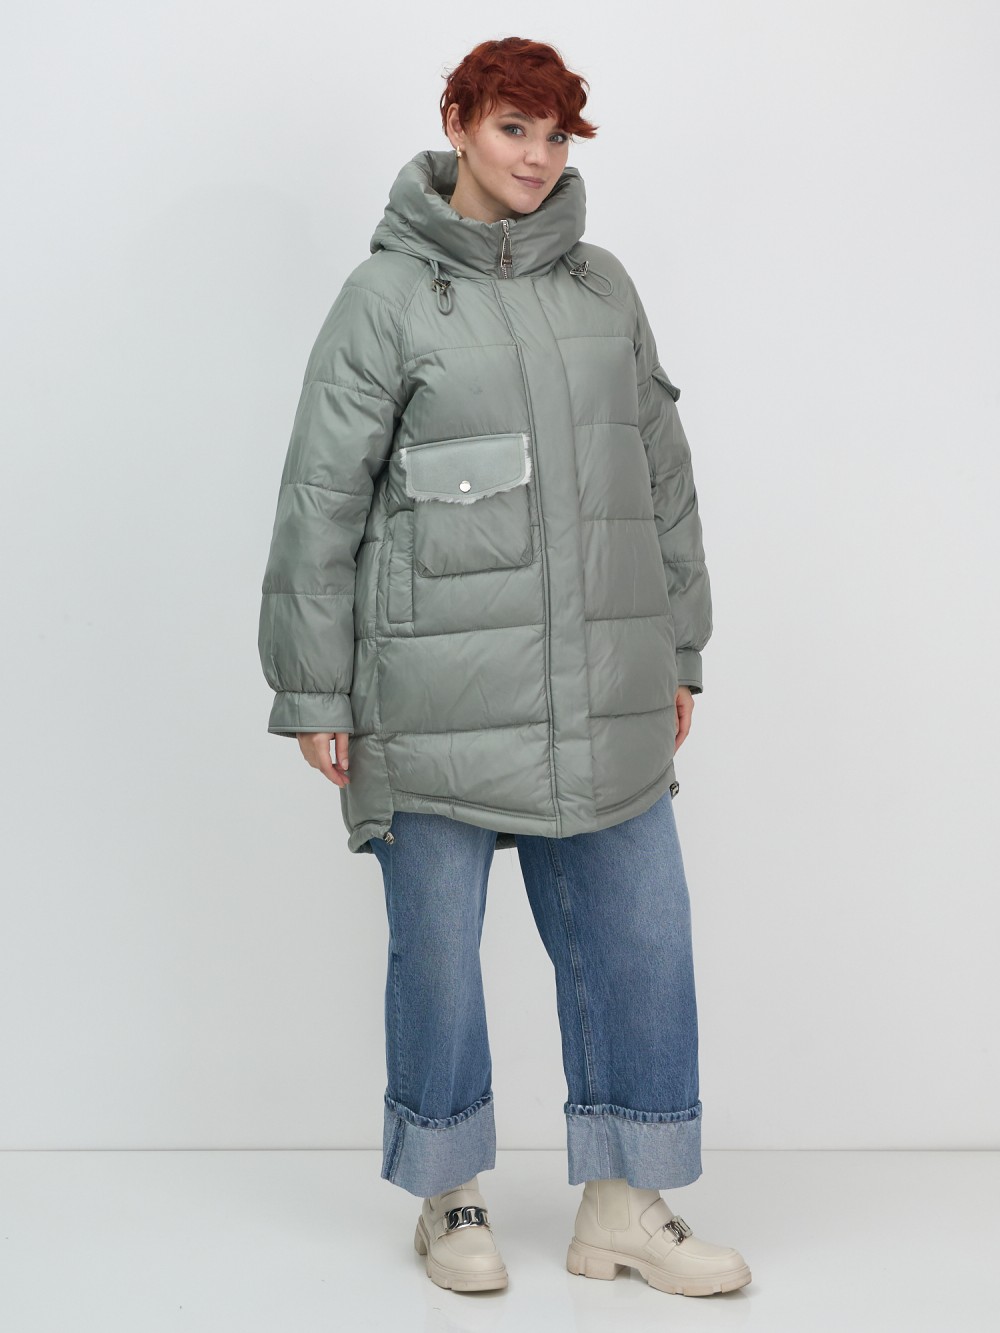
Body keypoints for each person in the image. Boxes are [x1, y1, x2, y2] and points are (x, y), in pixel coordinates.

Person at [258, 35, 751, 1297]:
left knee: (641, 941)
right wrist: (312, 685)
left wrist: (681, 642)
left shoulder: (602, 287)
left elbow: (662, 474)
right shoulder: (385, 299)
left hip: (603, 683)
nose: (536, 157)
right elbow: (322, 497)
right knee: (437, 955)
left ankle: (623, 1203)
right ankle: (448, 1194)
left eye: (555, 135)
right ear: (458, 124)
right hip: (432, 694)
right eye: (512, 128)